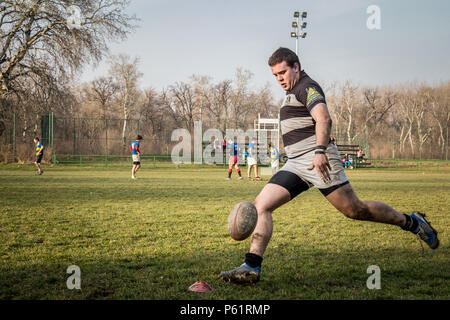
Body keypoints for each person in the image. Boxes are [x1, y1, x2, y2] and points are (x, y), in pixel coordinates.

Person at [220, 47, 439, 284]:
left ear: (296, 66)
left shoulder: (307, 87)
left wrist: (320, 150)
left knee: (355, 210)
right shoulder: (292, 91)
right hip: (295, 164)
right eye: (275, 75)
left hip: (318, 161)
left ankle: (412, 222)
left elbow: (323, 118)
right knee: (261, 206)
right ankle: (252, 266)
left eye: (282, 72)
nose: (279, 79)